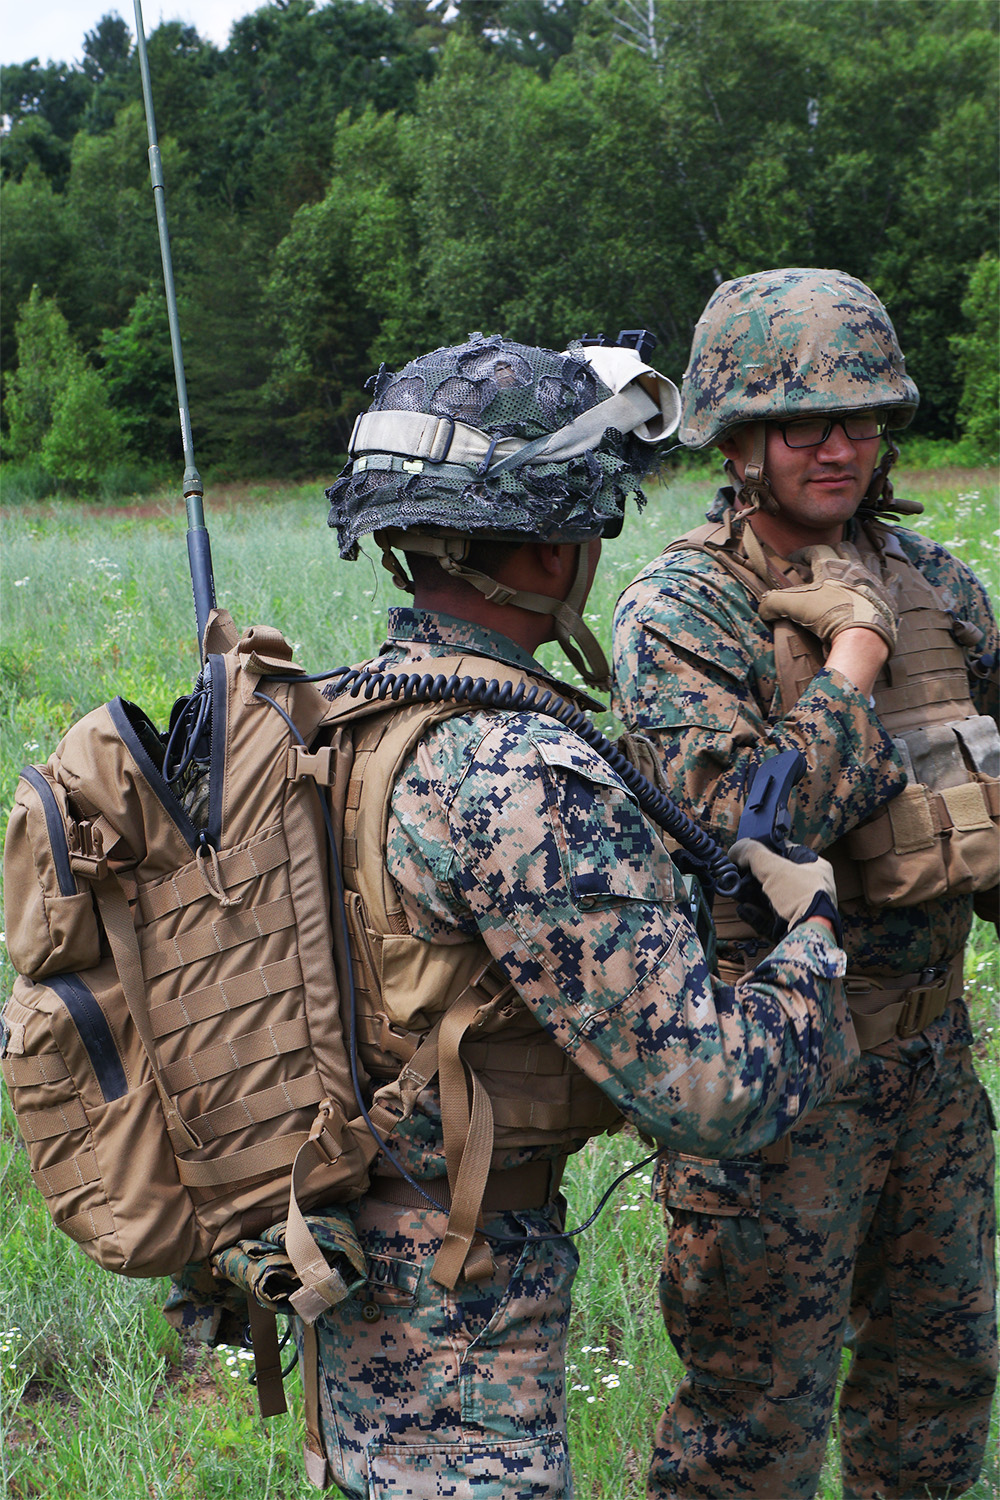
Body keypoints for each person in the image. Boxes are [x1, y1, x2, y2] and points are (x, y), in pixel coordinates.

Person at [308, 331, 858, 1498]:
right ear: (555, 552)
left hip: (370, 1256)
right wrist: (809, 941)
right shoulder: (517, 771)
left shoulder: (348, 714)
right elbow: (711, 1089)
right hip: (455, 1305)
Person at [612, 268, 999, 1500]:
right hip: (777, 1085)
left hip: (932, 1060)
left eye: (859, 418)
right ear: (737, 439)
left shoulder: (936, 582)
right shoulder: (683, 609)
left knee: (938, 1393)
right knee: (750, 1430)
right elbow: (745, 828)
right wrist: (853, 652)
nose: (835, 446)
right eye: (801, 423)